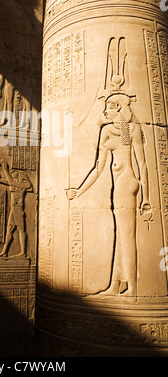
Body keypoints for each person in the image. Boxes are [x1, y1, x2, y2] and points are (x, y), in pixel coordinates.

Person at [66, 93, 152, 296]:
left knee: (126, 236)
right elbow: (98, 167)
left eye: (109, 107)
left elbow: (142, 164)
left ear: (120, 108)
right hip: (118, 185)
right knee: (120, 236)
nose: (105, 111)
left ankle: (131, 288)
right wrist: (79, 190)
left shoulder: (132, 129)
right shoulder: (106, 131)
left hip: (128, 183)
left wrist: (146, 198)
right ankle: (116, 285)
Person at [0, 159, 32, 258]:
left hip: (18, 209)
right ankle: (4, 252)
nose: (10, 173)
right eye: (10, 172)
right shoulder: (13, 182)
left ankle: (23, 252)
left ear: (19, 174)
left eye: (12, 172)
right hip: (13, 209)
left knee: (21, 230)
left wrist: (5, 169)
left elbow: (10, 182)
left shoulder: (24, 185)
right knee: (9, 230)